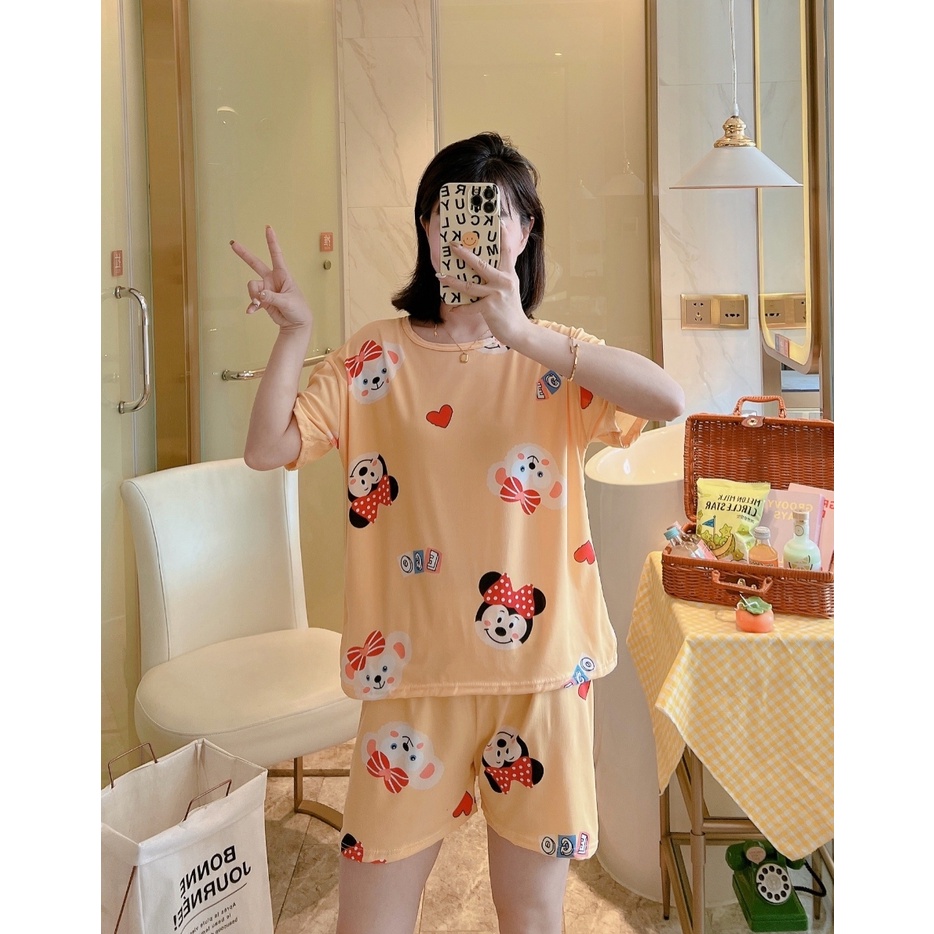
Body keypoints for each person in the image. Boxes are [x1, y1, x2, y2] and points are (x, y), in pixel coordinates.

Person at [231, 132, 684, 934]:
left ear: (525, 232)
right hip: (411, 677)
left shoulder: (557, 357)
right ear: (427, 226)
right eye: (454, 209)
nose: (472, 229)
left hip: (540, 678)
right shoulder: (375, 355)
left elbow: (666, 400)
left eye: (494, 212)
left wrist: (525, 335)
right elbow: (268, 448)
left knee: (532, 913)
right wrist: (293, 335)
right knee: (370, 919)